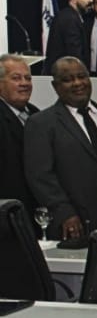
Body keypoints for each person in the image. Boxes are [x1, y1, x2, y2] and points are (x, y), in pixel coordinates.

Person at [25, 56, 97, 239]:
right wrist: (64, 212)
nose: (77, 83)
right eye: (67, 79)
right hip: (76, 224)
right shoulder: (41, 123)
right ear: (55, 86)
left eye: (82, 76)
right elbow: (40, 176)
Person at [0, 54, 42, 236]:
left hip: (36, 213)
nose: (25, 83)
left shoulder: (36, 114)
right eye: (16, 78)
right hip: (8, 216)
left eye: (28, 78)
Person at [44, 0, 93, 74]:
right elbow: (74, 54)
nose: (91, 0)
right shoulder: (69, 19)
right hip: (66, 74)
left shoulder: (70, 16)